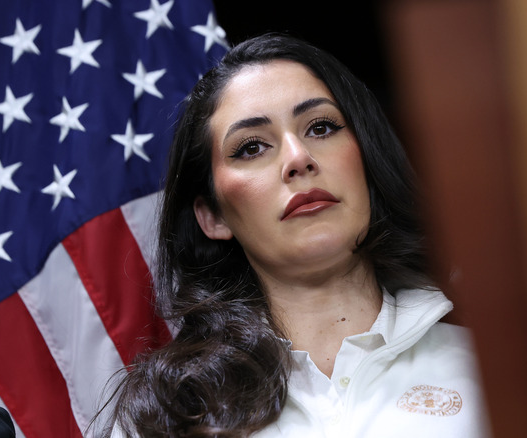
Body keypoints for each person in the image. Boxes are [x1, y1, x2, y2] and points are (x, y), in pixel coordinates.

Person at [104, 33, 490, 437]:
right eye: (252, 147)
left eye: (321, 127)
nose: (298, 158)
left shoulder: (494, 360)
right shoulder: (169, 413)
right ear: (214, 217)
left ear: (368, 162)